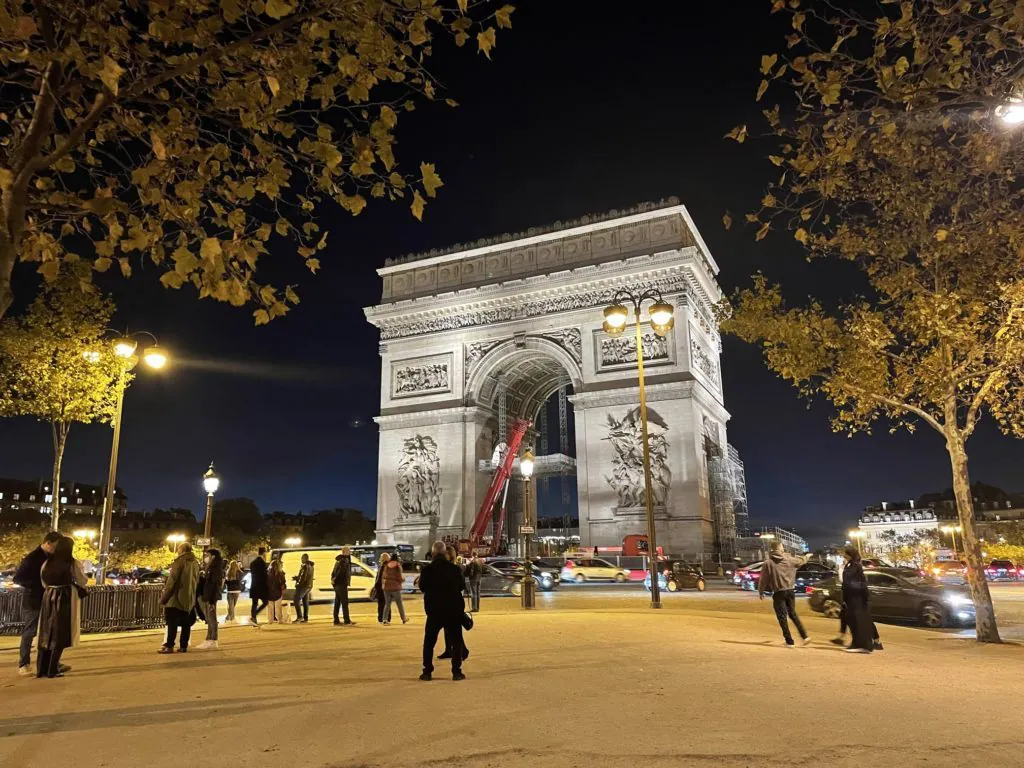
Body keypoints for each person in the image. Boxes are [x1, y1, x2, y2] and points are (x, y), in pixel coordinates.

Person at [35, 536, 88, 677]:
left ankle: (41, 669)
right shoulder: (71, 563)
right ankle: (53, 668)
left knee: (46, 632)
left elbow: (43, 581)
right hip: (64, 596)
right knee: (61, 632)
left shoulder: (47, 562)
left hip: (48, 595)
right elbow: (82, 580)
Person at [13, 531, 63, 676]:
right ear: (47, 543)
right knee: (30, 631)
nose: (55, 550)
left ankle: (50, 663)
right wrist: (38, 585)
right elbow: (18, 578)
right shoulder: (32, 558)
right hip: (33, 599)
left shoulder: (51, 557)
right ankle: (24, 663)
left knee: (48, 633)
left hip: (47, 598)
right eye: (54, 547)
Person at [419, 541, 467, 681]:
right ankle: (456, 671)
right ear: (445, 553)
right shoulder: (454, 569)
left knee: (429, 641)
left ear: (433, 553)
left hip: (434, 610)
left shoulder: (427, 570)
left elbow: (422, 587)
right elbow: (461, 586)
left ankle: (427, 671)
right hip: (452, 609)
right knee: (456, 641)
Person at [758, 543, 812, 648]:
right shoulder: (790, 559)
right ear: (780, 549)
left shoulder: (768, 563)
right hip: (790, 591)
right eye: (782, 547)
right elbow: (802, 561)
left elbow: (763, 579)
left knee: (782, 617)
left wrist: (761, 591)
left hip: (779, 592)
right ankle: (805, 636)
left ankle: (789, 641)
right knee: (792, 614)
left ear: (772, 550)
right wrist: (808, 556)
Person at [159, 542, 200, 653]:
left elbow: (171, 582)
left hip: (176, 597)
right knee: (186, 624)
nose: (177, 551)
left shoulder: (179, 562)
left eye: (178, 549)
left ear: (182, 550)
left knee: (172, 622)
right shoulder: (195, 563)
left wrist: (164, 598)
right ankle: (183, 646)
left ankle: (169, 646)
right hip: (189, 598)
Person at [841, 546, 875, 654]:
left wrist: (843, 568)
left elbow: (850, 579)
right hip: (851, 597)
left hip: (857, 597)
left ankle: (863, 645)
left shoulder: (855, 565)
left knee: (857, 621)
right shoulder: (850, 564)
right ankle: (855, 643)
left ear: (849, 554)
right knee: (852, 620)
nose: (843, 554)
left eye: (845, 553)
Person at [197, 548, 225, 650]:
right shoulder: (212, 567)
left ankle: (213, 639)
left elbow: (213, 585)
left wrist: (211, 600)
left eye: (208, 555)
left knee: (212, 618)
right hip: (208, 596)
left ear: (213, 556)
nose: (206, 558)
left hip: (211, 597)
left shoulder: (215, 568)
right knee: (209, 618)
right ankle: (209, 638)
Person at [382, 552, 408, 625]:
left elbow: (384, 576)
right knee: (399, 604)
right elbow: (399, 577)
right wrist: (403, 580)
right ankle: (403, 618)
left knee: (387, 604)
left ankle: (384, 619)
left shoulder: (386, 565)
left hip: (386, 587)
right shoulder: (397, 566)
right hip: (395, 587)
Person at [331, 546, 354, 626]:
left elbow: (334, 572)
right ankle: (346, 620)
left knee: (337, 602)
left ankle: (336, 620)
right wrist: (336, 579)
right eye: (349, 551)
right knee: (344, 602)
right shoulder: (344, 560)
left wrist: (333, 580)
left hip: (337, 584)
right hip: (341, 583)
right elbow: (341, 572)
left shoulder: (339, 560)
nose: (350, 552)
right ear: (345, 552)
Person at [249, 547, 269, 627]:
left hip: (254, 585)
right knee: (265, 602)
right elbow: (264, 576)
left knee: (254, 603)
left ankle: (254, 618)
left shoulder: (253, 562)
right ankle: (254, 616)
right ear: (264, 553)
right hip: (261, 586)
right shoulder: (262, 563)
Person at [292, 553, 314, 623]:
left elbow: (303, 577)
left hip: (303, 586)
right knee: (305, 602)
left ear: (305, 558)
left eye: (302, 558)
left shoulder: (305, 566)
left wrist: (297, 581)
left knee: (296, 600)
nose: (301, 559)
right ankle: (305, 618)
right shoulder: (311, 566)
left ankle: (300, 617)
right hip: (308, 586)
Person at [268, 558, 288, 624]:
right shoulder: (281, 573)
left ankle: (270, 620)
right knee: (278, 607)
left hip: (269, 593)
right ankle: (280, 620)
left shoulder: (267, 573)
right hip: (278, 592)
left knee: (270, 607)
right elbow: (283, 583)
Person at [373, 552, 389, 624]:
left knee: (382, 604)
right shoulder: (385, 566)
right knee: (385, 604)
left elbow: (379, 578)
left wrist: (376, 585)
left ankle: (383, 619)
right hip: (384, 588)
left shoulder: (384, 566)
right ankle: (385, 618)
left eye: (381, 557)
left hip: (382, 587)